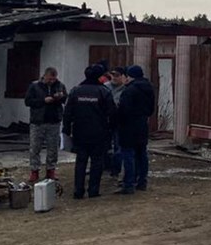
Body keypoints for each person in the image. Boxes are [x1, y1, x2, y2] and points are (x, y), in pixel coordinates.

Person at [62, 64, 116, 200]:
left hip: (80, 132)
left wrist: (66, 129)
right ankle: (93, 190)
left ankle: (78, 191)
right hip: (99, 132)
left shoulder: (76, 90)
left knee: (81, 162)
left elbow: (67, 112)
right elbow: (112, 113)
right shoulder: (104, 91)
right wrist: (112, 129)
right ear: (99, 76)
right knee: (97, 162)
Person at [115, 65, 155, 194]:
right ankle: (142, 181)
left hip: (128, 126)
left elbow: (123, 110)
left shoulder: (129, 90)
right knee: (141, 153)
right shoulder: (149, 89)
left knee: (128, 154)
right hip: (142, 124)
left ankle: (128, 184)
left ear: (129, 76)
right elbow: (151, 109)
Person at [24, 66, 66, 183]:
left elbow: (65, 99)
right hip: (38, 122)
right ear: (44, 76)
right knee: (35, 148)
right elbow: (28, 101)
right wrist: (43, 101)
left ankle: (51, 170)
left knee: (53, 148)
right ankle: (34, 171)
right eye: (49, 79)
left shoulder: (59, 85)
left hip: (54, 121)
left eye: (53, 79)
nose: (52, 82)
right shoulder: (34, 86)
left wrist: (60, 97)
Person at [105, 68, 127, 178]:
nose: (114, 77)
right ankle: (106, 166)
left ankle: (116, 168)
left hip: (119, 122)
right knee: (105, 146)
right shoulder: (105, 87)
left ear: (123, 77)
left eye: (117, 75)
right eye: (113, 75)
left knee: (118, 147)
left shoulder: (126, 89)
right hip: (105, 121)